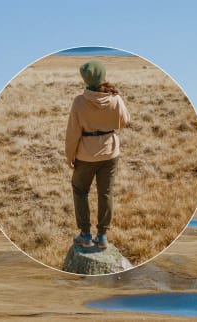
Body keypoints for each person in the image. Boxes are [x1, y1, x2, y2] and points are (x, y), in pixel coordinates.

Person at [65, 60, 130, 249]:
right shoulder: (115, 98)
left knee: (80, 190)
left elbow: (72, 133)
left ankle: (85, 234)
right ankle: (102, 236)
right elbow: (125, 121)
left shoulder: (79, 102)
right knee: (106, 193)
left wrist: (70, 156)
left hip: (85, 155)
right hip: (110, 153)